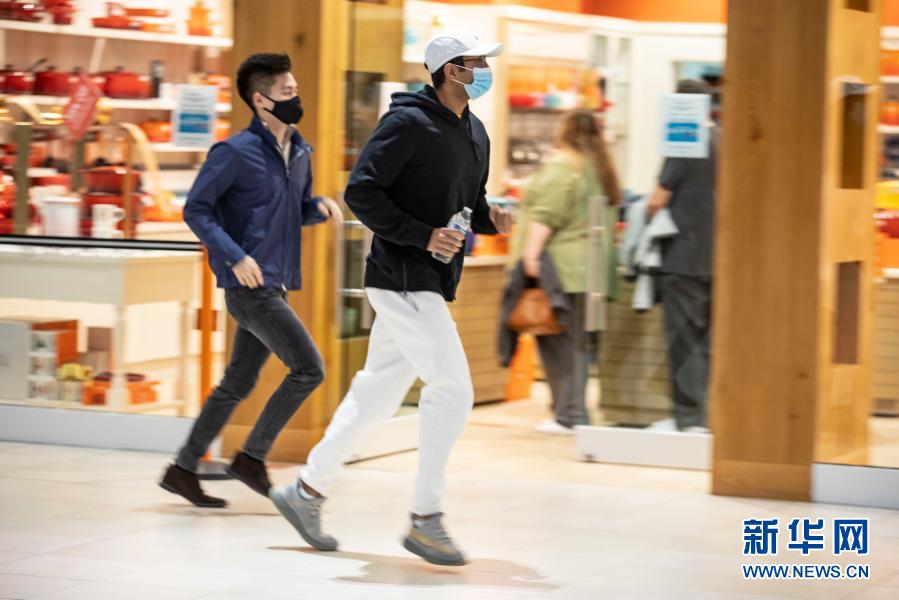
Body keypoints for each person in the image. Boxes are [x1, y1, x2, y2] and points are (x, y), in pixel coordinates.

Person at [269, 31, 512, 567]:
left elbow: (469, 202)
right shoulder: (407, 123)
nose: (484, 70)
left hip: (432, 279)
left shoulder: (475, 130)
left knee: (375, 395)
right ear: (450, 70)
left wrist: (491, 219)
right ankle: (426, 519)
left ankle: (306, 490)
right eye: (476, 62)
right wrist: (422, 236)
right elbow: (361, 191)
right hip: (401, 277)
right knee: (454, 389)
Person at [158, 53, 343, 508]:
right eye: (286, 92)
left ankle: (182, 469)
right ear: (260, 100)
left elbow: (294, 211)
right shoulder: (234, 153)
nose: (295, 99)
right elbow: (196, 210)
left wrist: (317, 207)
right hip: (249, 287)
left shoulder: (300, 152)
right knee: (309, 369)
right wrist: (235, 256)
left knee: (237, 383)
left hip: (276, 281)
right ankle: (251, 458)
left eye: (295, 91)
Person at [509, 109, 622, 435]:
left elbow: (546, 215)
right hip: (593, 270)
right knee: (579, 345)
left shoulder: (564, 166)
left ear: (565, 131)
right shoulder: (600, 168)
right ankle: (574, 412)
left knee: (559, 344)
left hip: (563, 269)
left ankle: (568, 415)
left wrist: (530, 256)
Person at [646, 79, 717, 433]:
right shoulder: (724, 139)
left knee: (684, 340)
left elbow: (657, 201)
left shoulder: (684, 141)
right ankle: (706, 415)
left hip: (683, 257)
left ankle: (688, 418)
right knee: (708, 342)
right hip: (717, 259)